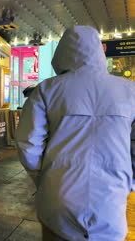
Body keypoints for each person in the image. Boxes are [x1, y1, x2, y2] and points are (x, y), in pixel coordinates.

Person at [15, 26, 135, 241]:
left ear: (61, 53)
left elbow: (28, 144)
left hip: (58, 192)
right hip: (111, 195)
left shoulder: (47, 89)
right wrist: (128, 181)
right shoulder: (130, 91)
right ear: (100, 51)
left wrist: (43, 178)